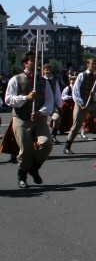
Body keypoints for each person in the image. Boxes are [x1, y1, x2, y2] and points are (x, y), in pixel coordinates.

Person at [4, 51, 55, 188]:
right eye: (32, 59)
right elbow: (8, 99)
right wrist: (25, 98)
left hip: (38, 118)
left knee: (47, 143)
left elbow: (50, 100)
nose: (36, 62)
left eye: (37, 60)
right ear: (25, 63)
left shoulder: (43, 81)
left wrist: (41, 111)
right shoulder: (16, 79)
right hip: (21, 118)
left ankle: (33, 168)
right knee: (26, 150)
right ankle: (22, 175)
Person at [64, 57, 96, 155]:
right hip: (80, 104)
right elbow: (75, 91)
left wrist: (94, 95)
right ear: (87, 64)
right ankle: (67, 146)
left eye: (95, 64)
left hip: (91, 104)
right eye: (92, 64)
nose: (94, 65)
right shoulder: (81, 75)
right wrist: (81, 103)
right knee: (76, 125)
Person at [42, 64, 64, 145]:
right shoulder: (40, 80)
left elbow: (57, 93)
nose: (47, 71)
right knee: (42, 121)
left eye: (49, 70)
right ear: (43, 71)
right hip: (42, 104)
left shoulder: (55, 81)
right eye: (46, 70)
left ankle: (53, 135)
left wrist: (59, 104)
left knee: (57, 117)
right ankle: (44, 137)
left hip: (52, 103)